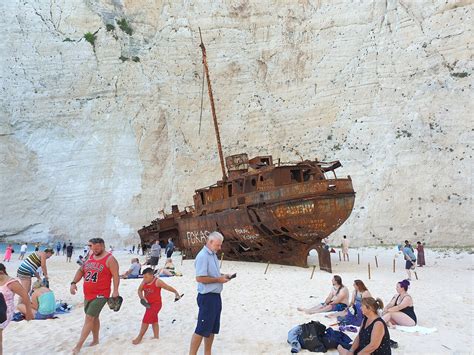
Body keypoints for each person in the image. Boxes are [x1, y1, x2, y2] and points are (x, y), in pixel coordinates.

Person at [70, 238, 120, 354]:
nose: (95, 250)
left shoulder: (110, 259)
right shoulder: (90, 256)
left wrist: (116, 290)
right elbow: (81, 270)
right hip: (88, 294)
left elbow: (116, 276)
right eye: (93, 247)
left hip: (101, 294)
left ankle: (78, 346)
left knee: (89, 318)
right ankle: (96, 340)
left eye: (97, 248)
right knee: (94, 317)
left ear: (103, 246)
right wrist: (73, 283)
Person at [189, 232, 234, 355]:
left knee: (211, 328)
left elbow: (213, 274)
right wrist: (219, 280)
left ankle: (207, 353)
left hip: (215, 297)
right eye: (218, 245)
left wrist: (223, 275)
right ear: (210, 242)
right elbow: (200, 278)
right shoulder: (203, 256)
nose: (219, 248)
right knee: (201, 328)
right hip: (207, 297)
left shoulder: (212, 255)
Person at [132, 267, 181, 344]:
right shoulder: (144, 281)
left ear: (152, 276)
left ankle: (139, 337)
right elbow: (139, 290)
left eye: (146, 277)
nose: (144, 279)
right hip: (148, 304)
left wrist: (176, 292)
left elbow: (167, 287)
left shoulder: (158, 282)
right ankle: (156, 336)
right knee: (154, 320)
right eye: (143, 277)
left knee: (146, 319)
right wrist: (142, 298)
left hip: (156, 304)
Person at [0, 263, 34, 354]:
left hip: (5, 311)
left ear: (1, 272)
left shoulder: (12, 283)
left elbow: (25, 296)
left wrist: (28, 312)